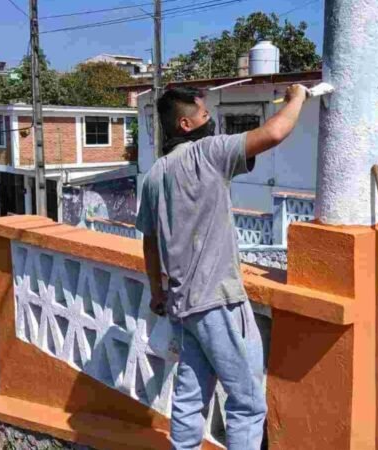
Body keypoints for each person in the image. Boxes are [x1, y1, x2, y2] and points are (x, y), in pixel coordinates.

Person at [136, 85, 307, 449]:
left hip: (182, 305)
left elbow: (149, 242)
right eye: (203, 114)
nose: (210, 119)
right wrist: (297, 99)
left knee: (189, 399)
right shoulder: (208, 153)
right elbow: (274, 132)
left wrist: (156, 291)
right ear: (185, 124)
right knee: (246, 401)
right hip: (219, 302)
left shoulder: (155, 175)